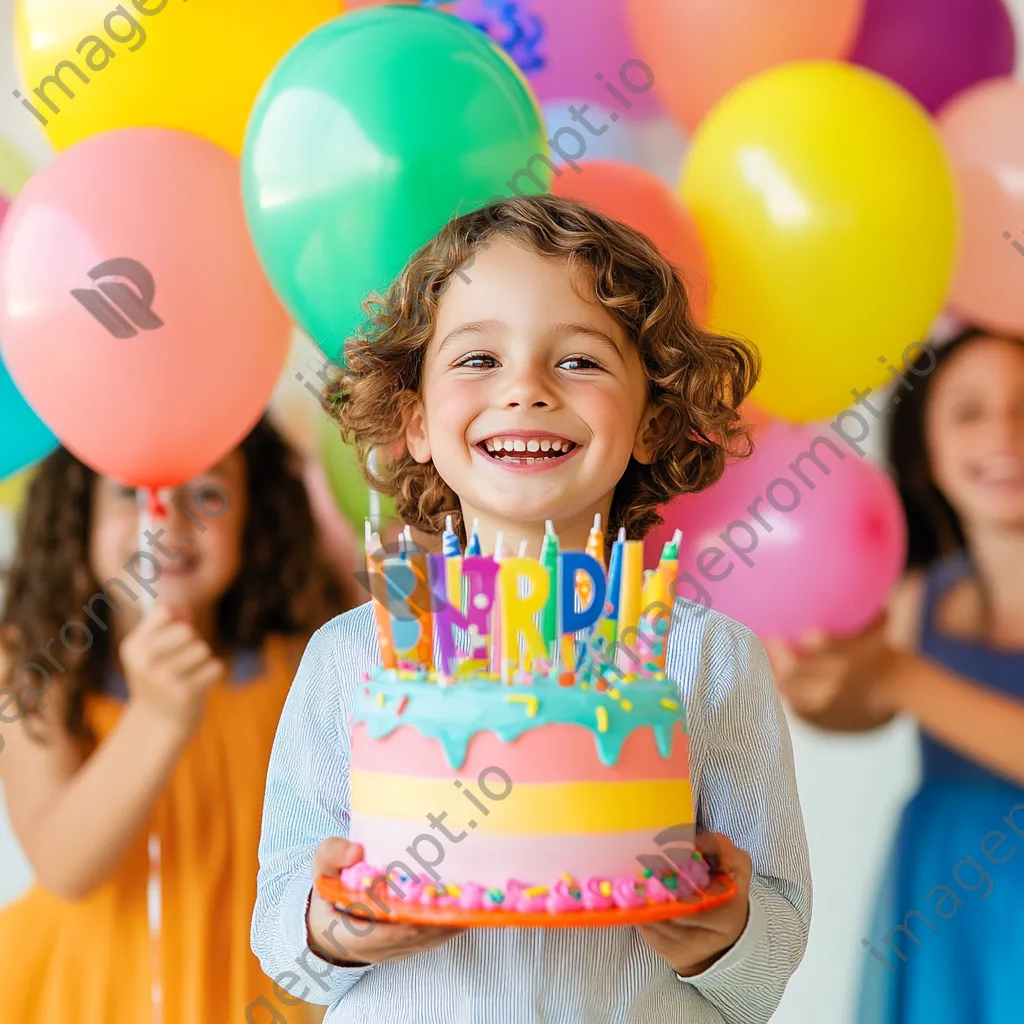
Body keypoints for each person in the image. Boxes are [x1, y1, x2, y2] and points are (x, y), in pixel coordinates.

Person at [251, 194, 811, 1023]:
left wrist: (726, 932)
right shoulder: (355, 653)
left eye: (579, 361)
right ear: (414, 421)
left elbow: (775, 945)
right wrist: (334, 929)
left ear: (652, 423)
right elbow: (281, 937)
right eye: (478, 359)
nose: (526, 390)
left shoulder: (708, 658)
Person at [0, 418, 345, 1024]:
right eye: (130, 494)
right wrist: (158, 718)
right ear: (75, 507)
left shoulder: (303, 659)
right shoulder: (31, 663)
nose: (167, 525)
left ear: (254, 510)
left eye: (208, 492)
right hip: (86, 995)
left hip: (255, 992)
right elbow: (64, 866)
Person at [768, 329, 1024, 1024]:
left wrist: (893, 672)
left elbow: (895, 682)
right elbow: (858, 709)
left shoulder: (905, 646)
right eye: (968, 412)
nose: (1003, 431)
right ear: (926, 452)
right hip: (946, 880)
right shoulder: (920, 596)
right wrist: (813, 676)